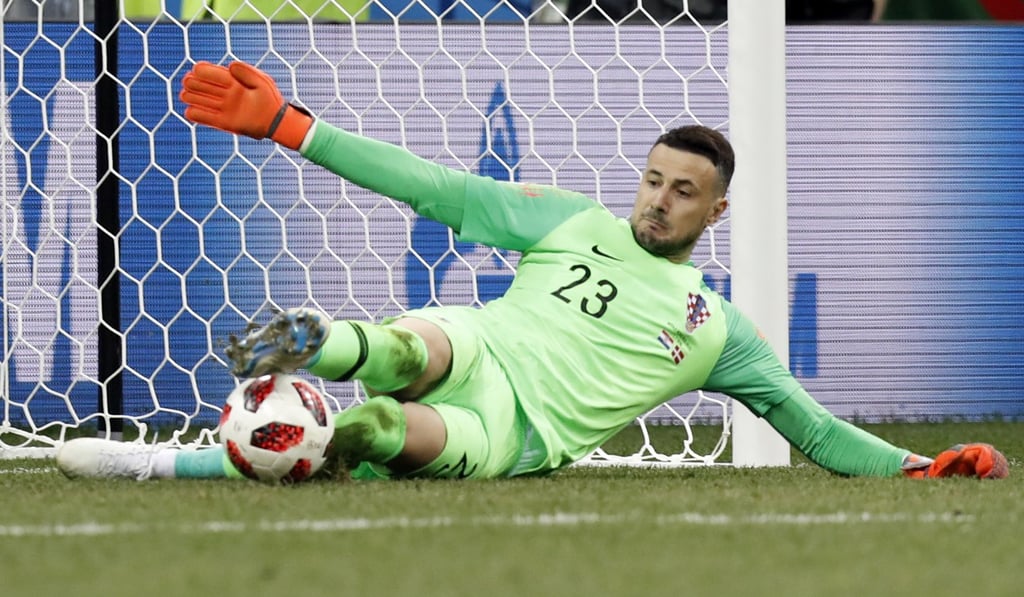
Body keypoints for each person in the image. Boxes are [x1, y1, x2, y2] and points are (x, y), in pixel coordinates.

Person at [57, 60, 1008, 482]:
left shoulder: (717, 331)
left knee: (393, 423)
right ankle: (326, 343)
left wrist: (921, 464)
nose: (658, 200)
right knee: (408, 344)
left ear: (716, 213)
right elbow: (429, 184)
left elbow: (813, 427)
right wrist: (288, 126)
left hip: (515, 428)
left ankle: (324, 439)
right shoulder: (569, 220)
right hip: (479, 343)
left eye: (683, 192)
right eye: (652, 179)